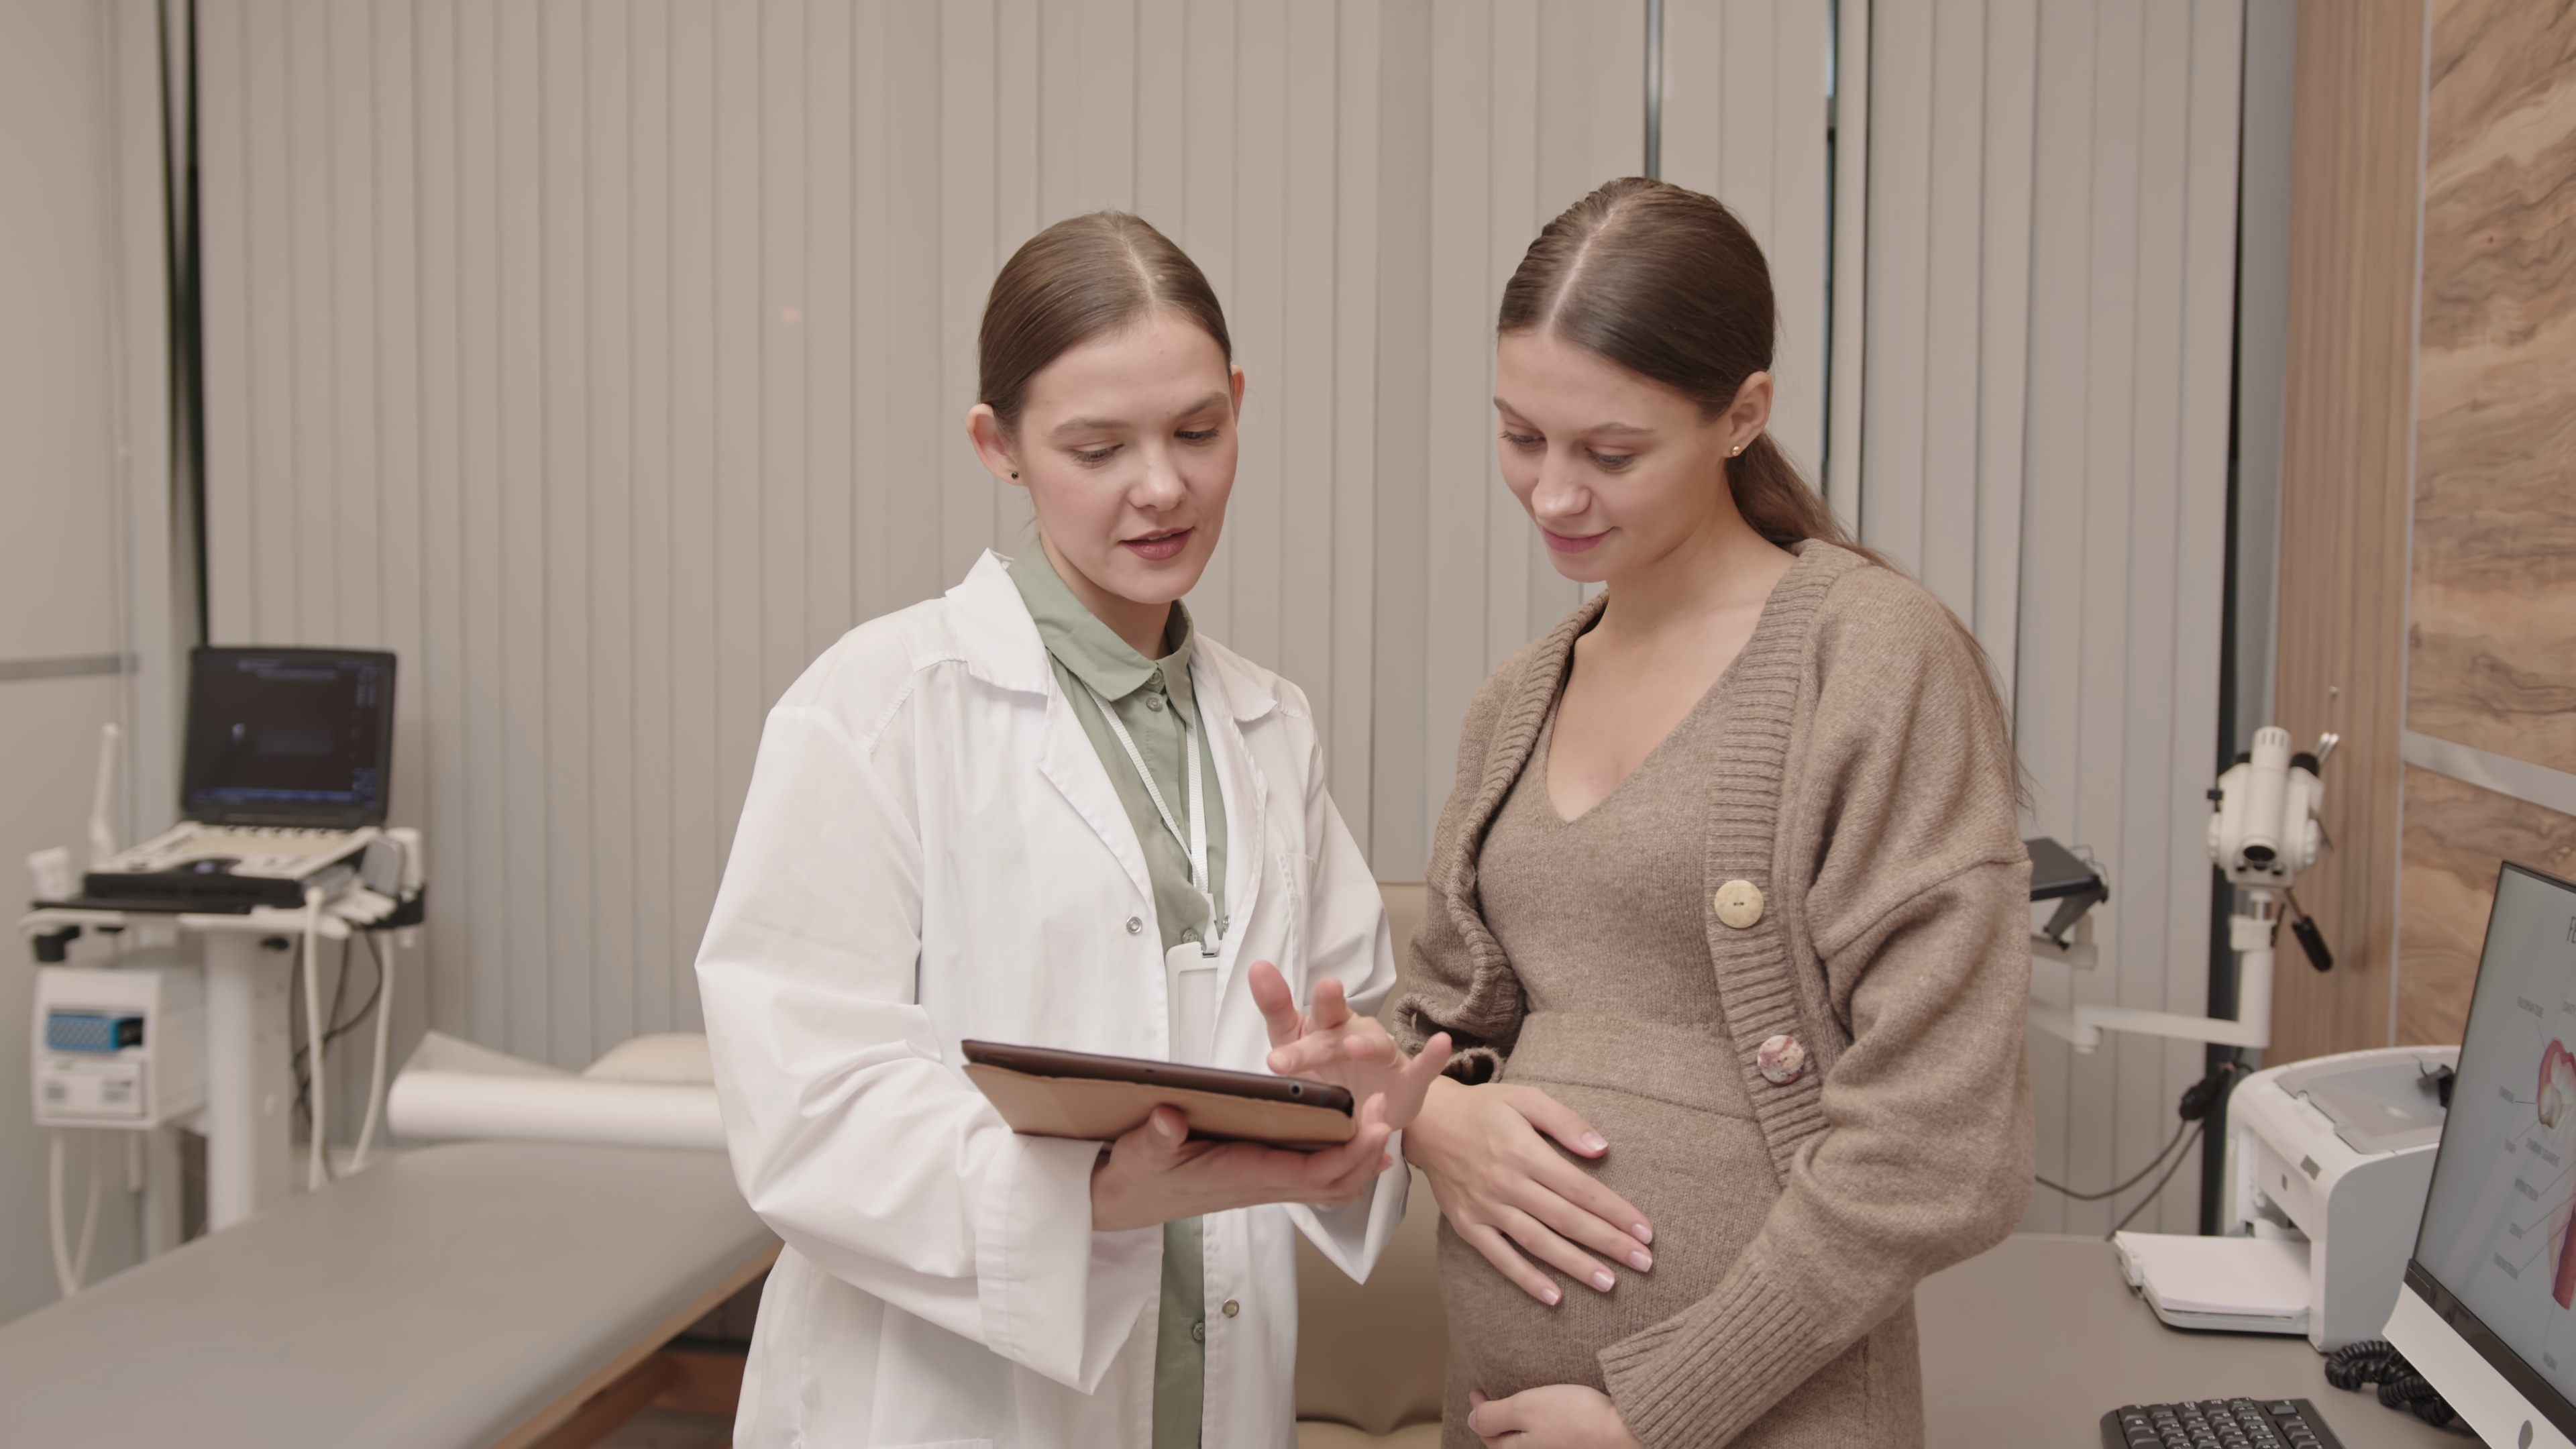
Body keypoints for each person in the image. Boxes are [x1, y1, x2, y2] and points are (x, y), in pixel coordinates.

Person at [1269, 178, 2035, 1448]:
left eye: (1610, 454)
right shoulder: (1520, 697)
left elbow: (1942, 1141)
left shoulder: (1873, 659)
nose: (1555, 495)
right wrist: (1414, 1104)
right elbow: (1457, 1021)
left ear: (1743, 417)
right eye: (1522, 438)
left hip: (1766, 1419)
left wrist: (1661, 1407)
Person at [696, 211, 1445, 1449]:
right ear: (998, 445)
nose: (1163, 486)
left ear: (1240, 407)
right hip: (946, 1404)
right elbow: (806, 1102)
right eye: (1097, 447)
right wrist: (1088, 1195)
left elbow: (1343, 1021)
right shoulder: (882, 706)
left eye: (1199, 432)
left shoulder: (1272, 729)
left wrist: (1363, 1093)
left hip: (1212, 1392)